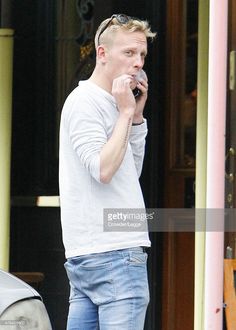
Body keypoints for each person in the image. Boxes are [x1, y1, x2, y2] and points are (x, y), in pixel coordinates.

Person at [59, 13, 156, 330]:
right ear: (102, 53)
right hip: (113, 254)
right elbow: (103, 168)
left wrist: (136, 117)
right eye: (128, 53)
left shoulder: (118, 103)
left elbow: (128, 173)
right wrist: (126, 111)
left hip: (92, 256)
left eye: (141, 54)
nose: (137, 63)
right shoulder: (86, 101)